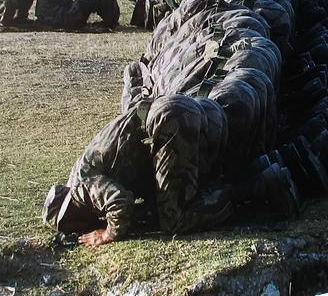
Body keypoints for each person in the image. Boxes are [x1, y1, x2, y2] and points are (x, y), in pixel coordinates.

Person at [42, 94, 299, 246]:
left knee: (175, 219)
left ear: (69, 210)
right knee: (181, 197)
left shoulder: (81, 188)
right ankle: (264, 171)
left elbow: (119, 202)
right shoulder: (83, 171)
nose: (77, 229)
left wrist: (107, 233)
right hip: (178, 111)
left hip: (169, 124)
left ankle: (262, 184)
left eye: (70, 225)